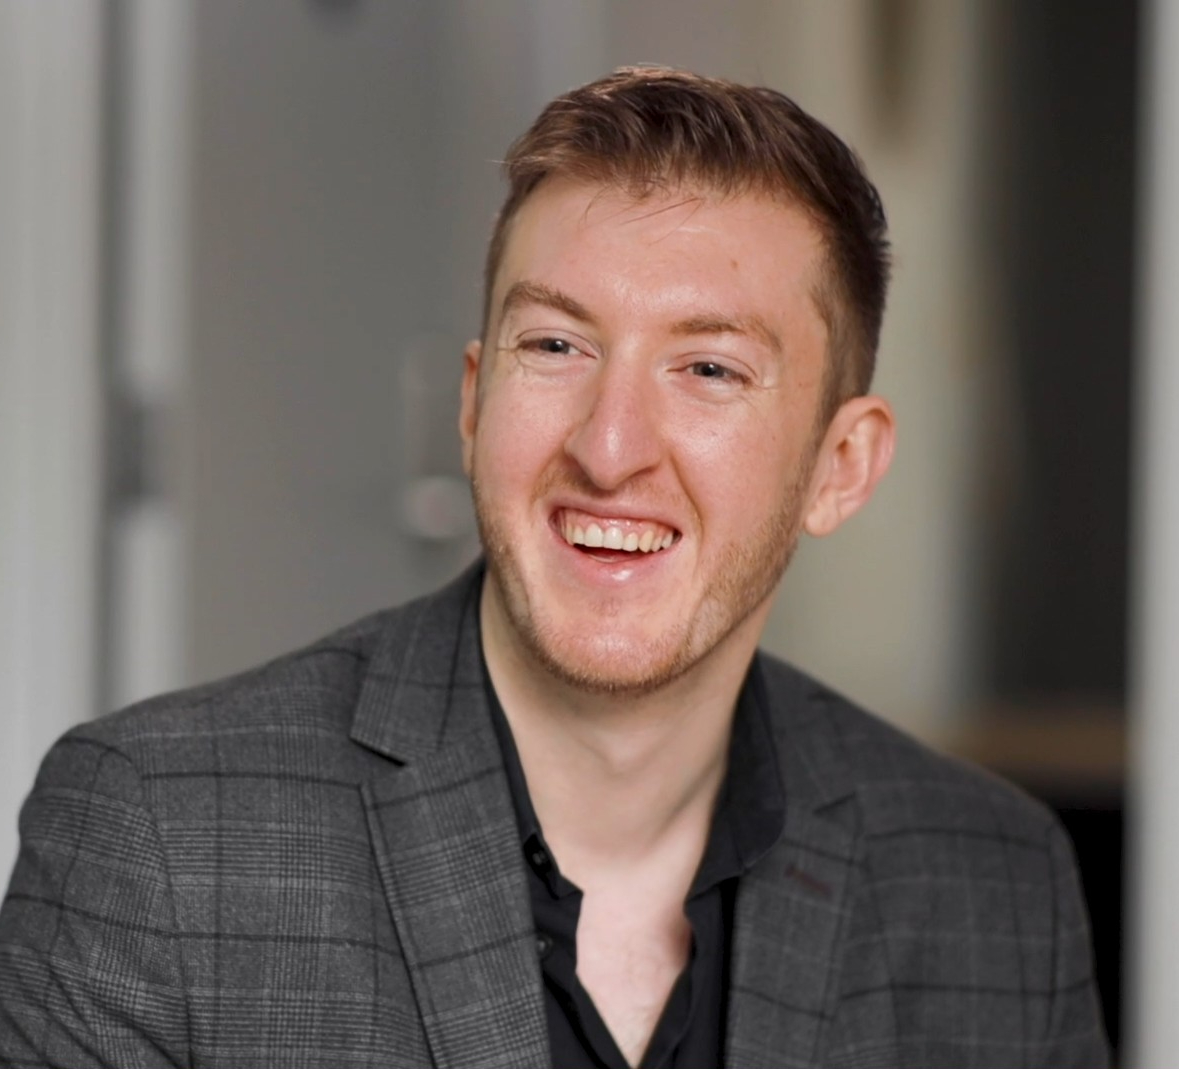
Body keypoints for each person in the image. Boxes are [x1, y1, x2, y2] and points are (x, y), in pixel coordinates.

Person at [0, 67, 1108, 1068]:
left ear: (840, 466)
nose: (609, 448)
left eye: (709, 369)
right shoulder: (157, 836)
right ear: (474, 403)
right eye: (556, 346)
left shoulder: (996, 888)